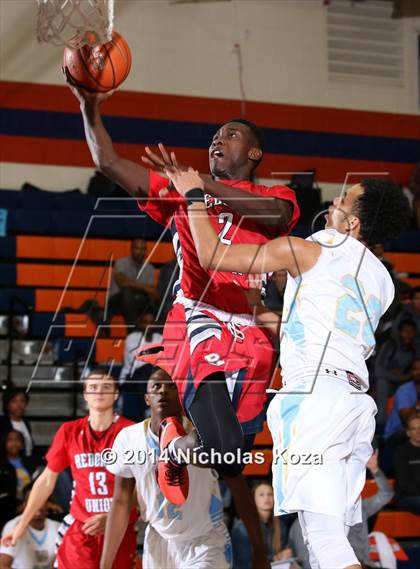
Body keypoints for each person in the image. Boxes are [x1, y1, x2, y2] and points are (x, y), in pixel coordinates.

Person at [65, 75, 299, 569]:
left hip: (249, 327)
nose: (217, 140)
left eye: (230, 135)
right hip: (194, 313)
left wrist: (198, 186)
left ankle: (184, 442)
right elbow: (107, 161)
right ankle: (172, 438)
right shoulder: (180, 190)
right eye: (214, 136)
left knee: (230, 454)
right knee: (208, 409)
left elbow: (276, 213)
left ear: (254, 153)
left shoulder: (273, 192)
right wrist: (88, 107)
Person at [164, 168, 411, 569]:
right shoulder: (383, 283)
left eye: (342, 200)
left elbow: (210, 255)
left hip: (315, 401)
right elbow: (319, 325)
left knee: (326, 542)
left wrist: (194, 193)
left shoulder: (312, 249)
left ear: (353, 222)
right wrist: (263, 311)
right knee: (329, 543)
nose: (332, 203)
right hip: (353, 405)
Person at [1, 369, 138, 569]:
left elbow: (145, 487)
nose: (99, 392)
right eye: (93, 387)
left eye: (106, 387)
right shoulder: (69, 431)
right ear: (85, 395)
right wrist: (21, 526)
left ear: (116, 394)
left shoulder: (131, 432)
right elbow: (47, 480)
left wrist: (112, 517)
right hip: (81, 529)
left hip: (119, 529)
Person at [101, 366, 232, 569]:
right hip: (159, 540)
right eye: (156, 386)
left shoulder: (202, 435)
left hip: (204, 539)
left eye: (170, 386)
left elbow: (240, 489)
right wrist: (105, 564)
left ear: (180, 393)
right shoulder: (129, 438)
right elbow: (120, 503)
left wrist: (259, 550)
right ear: (147, 398)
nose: (162, 390)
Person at [231, 480, 293, 569]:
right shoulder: (242, 528)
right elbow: (244, 563)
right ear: (253, 499)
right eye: (261, 495)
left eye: (270, 494)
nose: (266, 498)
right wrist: (274, 558)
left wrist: (285, 554)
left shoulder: (280, 526)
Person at [0, 483, 59, 569]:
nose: (36, 504)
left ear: (48, 504)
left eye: (41, 500)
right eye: (31, 500)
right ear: (24, 505)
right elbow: (2, 565)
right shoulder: (13, 526)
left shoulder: (57, 527)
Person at [374, 319, 418, 429]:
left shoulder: (413, 351)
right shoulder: (390, 346)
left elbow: (412, 373)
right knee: (382, 383)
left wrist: (403, 377)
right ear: (399, 332)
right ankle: (380, 425)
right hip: (383, 382)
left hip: (401, 384)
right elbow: (378, 370)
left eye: (411, 331)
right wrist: (399, 377)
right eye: (405, 331)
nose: (408, 334)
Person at [108, 238, 158, 326]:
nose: (140, 252)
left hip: (139, 300)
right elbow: (122, 283)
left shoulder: (149, 267)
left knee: (156, 299)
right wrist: (144, 287)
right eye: (137, 248)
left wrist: (132, 284)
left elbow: (152, 291)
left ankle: (157, 333)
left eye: (143, 249)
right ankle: (133, 330)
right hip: (117, 301)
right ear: (131, 249)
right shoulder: (121, 262)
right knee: (126, 292)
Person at [383, 357, 420, 443]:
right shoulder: (404, 390)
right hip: (396, 434)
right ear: (411, 372)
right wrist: (418, 406)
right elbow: (408, 419)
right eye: (416, 369)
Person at [393, 412, 420, 515]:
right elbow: (405, 484)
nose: (418, 431)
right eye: (414, 429)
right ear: (408, 433)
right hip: (406, 498)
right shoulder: (401, 452)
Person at [0, 388, 34, 458]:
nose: (19, 405)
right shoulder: (2, 423)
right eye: (14, 401)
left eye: (22, 401)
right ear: (7, 405)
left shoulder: (25, 422)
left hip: (26, 463)